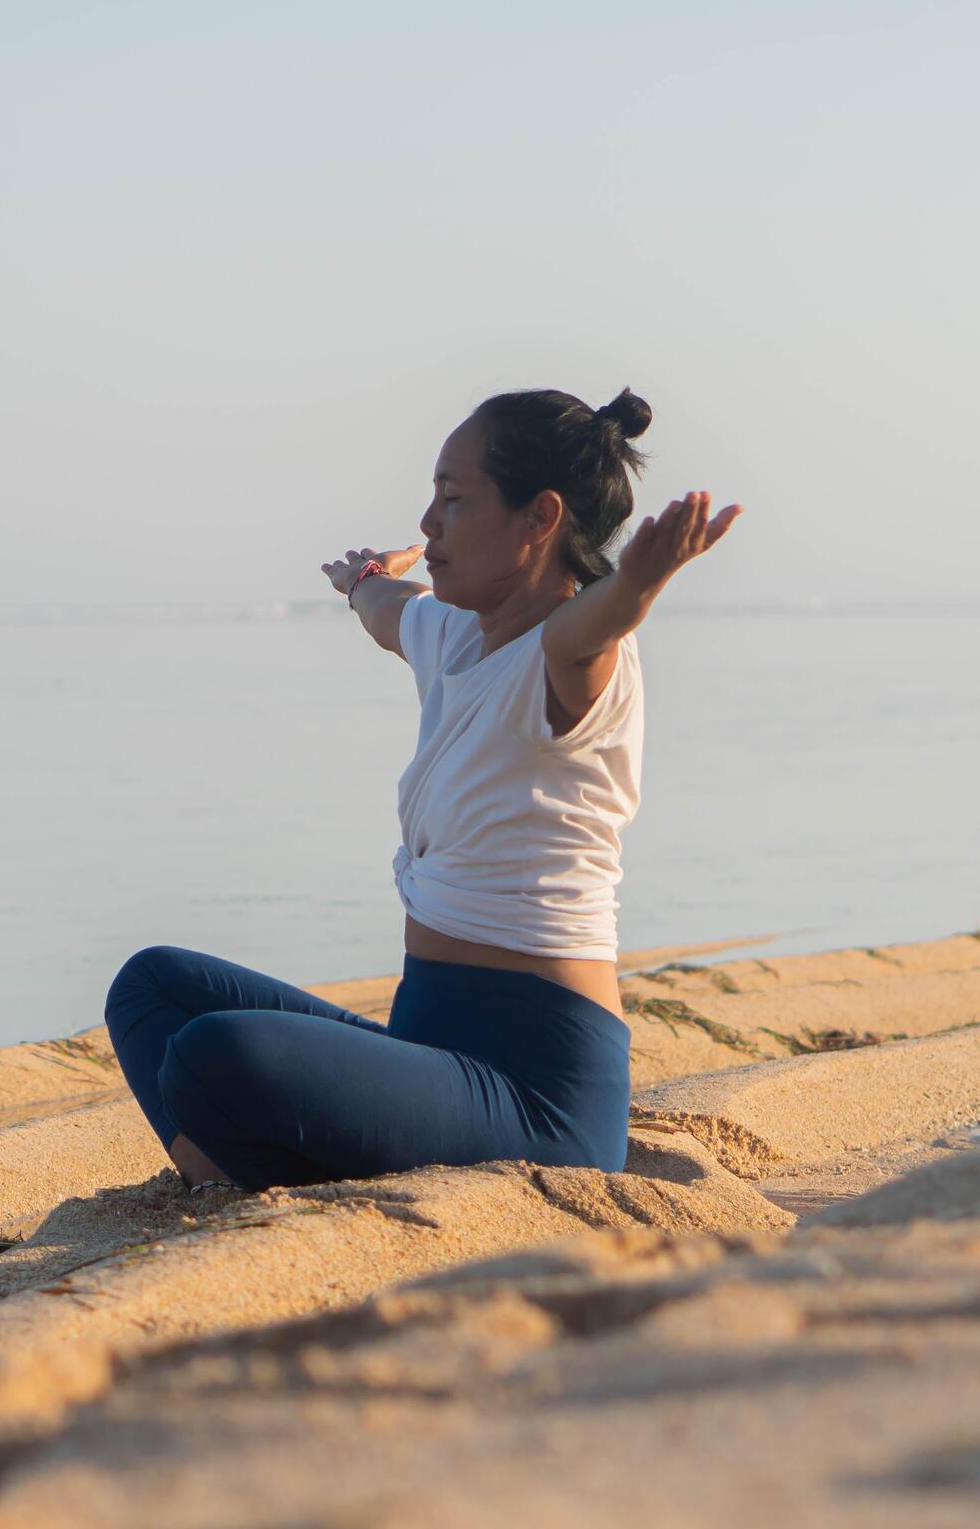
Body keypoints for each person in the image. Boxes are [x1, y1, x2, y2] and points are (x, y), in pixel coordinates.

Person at [104, 387, 739, 1189]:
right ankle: (235, 1166)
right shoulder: (454, 633)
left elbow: (588, 634)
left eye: (453, 499)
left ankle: (235, 1174)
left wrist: (638, 588)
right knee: (153, 987)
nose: (430, 524)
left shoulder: (576, 662)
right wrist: (363, 575)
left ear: (540, 519)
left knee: (215, 1055)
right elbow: (383, 608)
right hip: (434, 1050)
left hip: (538, 1096)